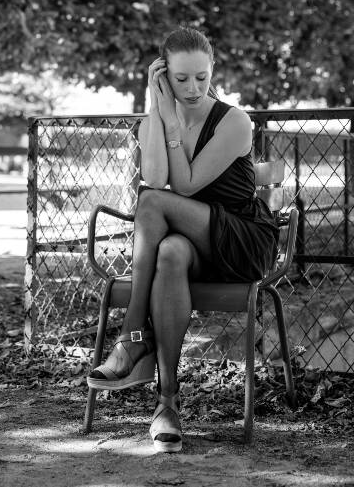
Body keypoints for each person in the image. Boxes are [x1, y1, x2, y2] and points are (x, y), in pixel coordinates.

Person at [86, 26, 278, 453]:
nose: (192, 88)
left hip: (240, 240)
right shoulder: (158, 115)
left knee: (152, 204)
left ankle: (134, 335)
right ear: (162, 76)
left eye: (201, 77)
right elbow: (155, 176)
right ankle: (167, 404)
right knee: (170, 251)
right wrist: (157, 112)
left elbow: (184, 187)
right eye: (180, 79)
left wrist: (171, 120)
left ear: (212, 73)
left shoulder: (234, 122)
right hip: (191, 244)